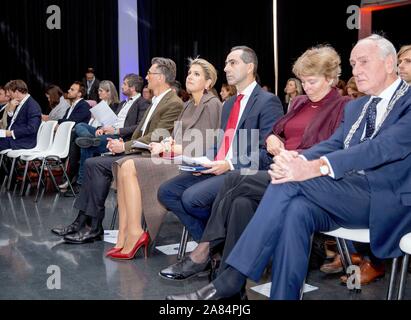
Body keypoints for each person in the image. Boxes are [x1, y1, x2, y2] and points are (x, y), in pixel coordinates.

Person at [165, 34, 411, 300]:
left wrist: (313, 166)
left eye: (363, 62)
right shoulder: (359, 107)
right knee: (296, 210)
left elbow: (383, 148)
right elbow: (334, 143)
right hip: (346, 192)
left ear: (389, 64)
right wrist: (297, 161)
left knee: (283, 183)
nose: (356, 70)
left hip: (387, 198)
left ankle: (230, 281)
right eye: (353, 63)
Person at [160, 45, 350, 281]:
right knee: (176, 193)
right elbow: (273, 133)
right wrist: (271, 139)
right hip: (265, 168)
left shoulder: (341, 106)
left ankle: (206, 254)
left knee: (213, 190)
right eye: (304, 81)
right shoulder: (298, 102)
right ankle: (226, 273)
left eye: (311, 81)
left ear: (331, 79)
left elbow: (331, 147)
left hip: (287, 172)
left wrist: (234, 163)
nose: (306, 87)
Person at [157, 46, 283, 252]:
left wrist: (229, 164)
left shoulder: (268, 102)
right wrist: (201, 160)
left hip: (241, 171)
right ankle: (215, 246)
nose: (226, 68)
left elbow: (266, 154)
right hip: (219, 165)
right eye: (226, 63)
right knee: (167, 192)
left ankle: (211, 249)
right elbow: (219, 144)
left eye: (233, 63)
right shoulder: (230, 103)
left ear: (250, 67)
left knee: (191, 198)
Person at [51, 57, 184, 244]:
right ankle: (82, 221)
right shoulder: (157, 100)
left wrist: (125, 146)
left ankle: (92, 226)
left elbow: (157, 136)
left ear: (161, 77)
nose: (146, 77)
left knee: (96, 165)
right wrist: (123, 142)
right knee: (92, 163)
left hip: (149, 157)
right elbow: (142, 131)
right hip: (139, 151)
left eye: (149, 73)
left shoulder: (173, 103)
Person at [106, 58, 222, 260]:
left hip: (190, 164)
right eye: (189, 73)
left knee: (130, 164)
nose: (190, 77)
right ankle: (127, 232)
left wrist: (169, 147)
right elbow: (176, 136)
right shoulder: (187, 105)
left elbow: (206, 146)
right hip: (175, 158)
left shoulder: (212, 104)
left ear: (209, 82)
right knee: (123, 164)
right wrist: (166, 143)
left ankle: (135, 233)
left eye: (196, 74)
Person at [72, 78, 148, 187]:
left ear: (133, 88)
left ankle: (82, 181)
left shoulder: (142, 103)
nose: (122, 86)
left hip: (120, 137)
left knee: (86, 146)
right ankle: (89, 138)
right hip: (110, 132)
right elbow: (113, 121)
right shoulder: (123, 103)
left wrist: (116, 130)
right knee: (80, 125)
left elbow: (138, 127)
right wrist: (102, 129)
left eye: (125, 84)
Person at [0, 80, 41, 151]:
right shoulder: (18, 102)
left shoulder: (32, 106)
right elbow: (11, 123)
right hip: (11, 138)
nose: (9, 95)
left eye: (10, 93)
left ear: (16, 92)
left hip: (23, 141)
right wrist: (11, 111)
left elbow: (32, 128)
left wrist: (11, 133)